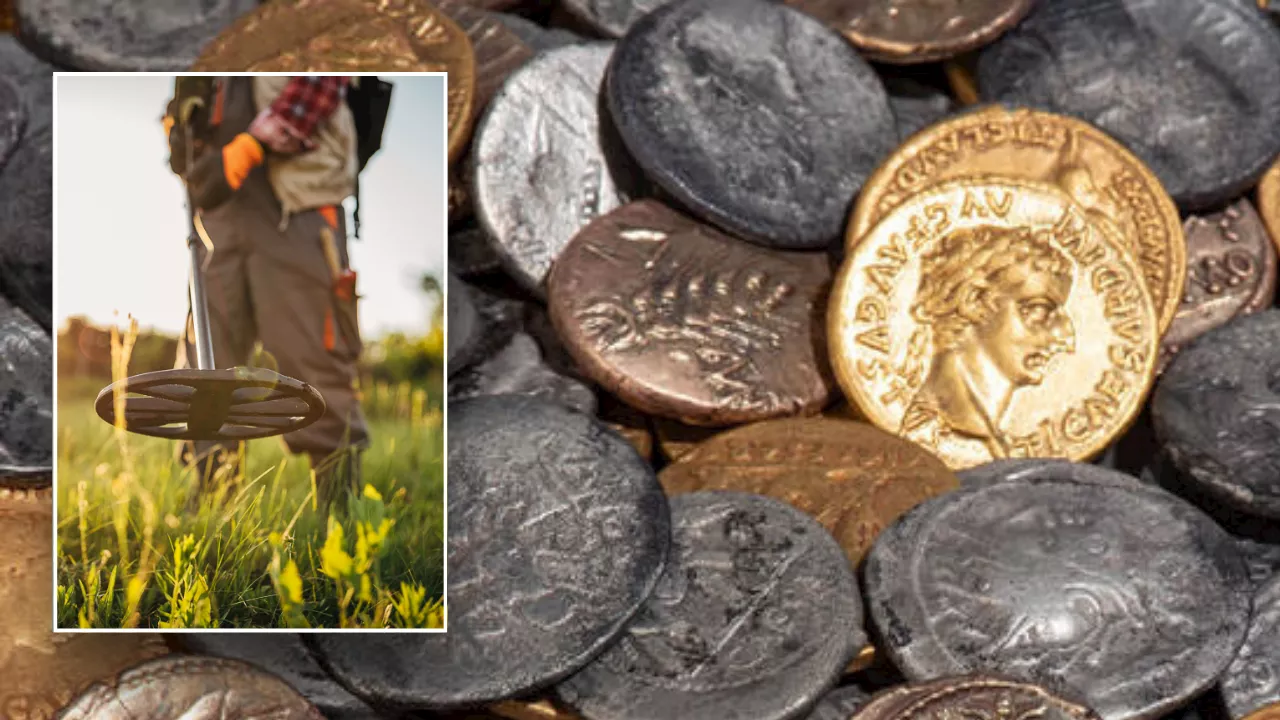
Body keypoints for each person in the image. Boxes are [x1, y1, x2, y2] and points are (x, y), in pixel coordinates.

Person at [164, 76, 369, 513]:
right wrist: (178, 131)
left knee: (314, 354)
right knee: (208, 361)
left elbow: (322, 76)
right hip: (218, 219)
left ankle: (342, 513)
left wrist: (254, 144)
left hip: (298, 212)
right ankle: (214, 505)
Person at [899, 224, 1076, 461]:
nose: (1066, 338)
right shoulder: (929, 435)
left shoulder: (990, 441)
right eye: (1038, 311)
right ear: (974, 303)